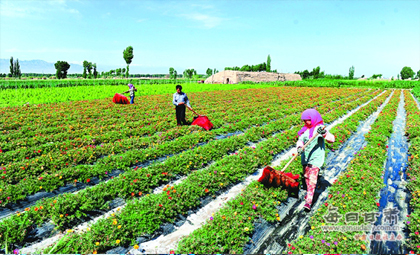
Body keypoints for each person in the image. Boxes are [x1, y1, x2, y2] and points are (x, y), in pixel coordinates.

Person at [296, 109, 335, 211]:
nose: (305, 122)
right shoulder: (305, 130)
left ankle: (308, 201)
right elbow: (300, 140)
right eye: (304, 121)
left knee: (312, 179)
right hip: (306, 157)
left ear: (313, 118)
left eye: (307, 120)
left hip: (316, 157)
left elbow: (332, 139)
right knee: (306, 176)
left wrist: (324, 134)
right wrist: (299, 147)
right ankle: (310, 191)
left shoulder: (319, 129)